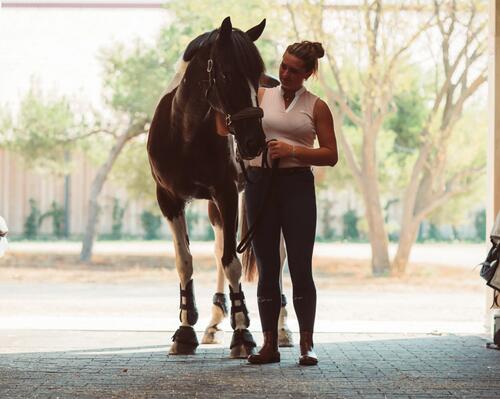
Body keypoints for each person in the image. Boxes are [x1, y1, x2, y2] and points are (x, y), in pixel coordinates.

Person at [245, 41, 338, 365]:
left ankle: (306, 345)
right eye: (283, 66)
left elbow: (331, 154)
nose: (285, 73)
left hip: (297, 187)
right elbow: (225, 126)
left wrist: (292, 151)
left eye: (294, 70)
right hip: (260, 184)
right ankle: (269, 345)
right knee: (267, 267)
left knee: (300, 267)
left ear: (309, 73)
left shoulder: (316, 106)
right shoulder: (260, 94)